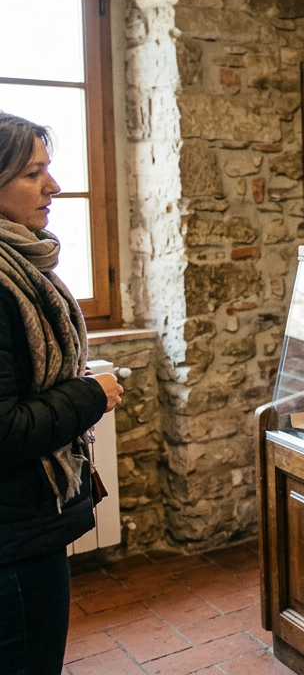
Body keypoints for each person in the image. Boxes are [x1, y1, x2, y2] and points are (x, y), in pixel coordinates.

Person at [0, 112, 123, 673]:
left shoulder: (22, 262)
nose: (53, 186)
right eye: (33, 174)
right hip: (13, 536)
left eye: (48, 170)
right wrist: (92, 395)